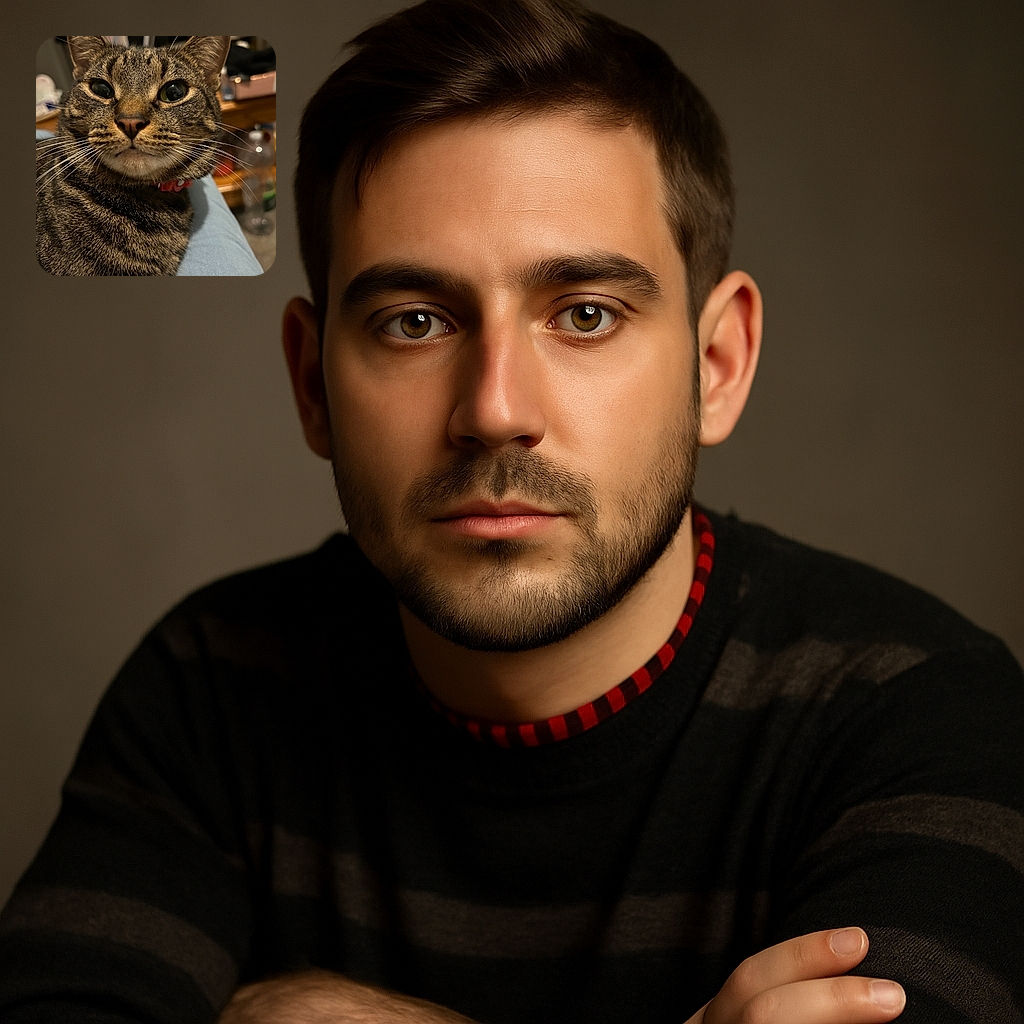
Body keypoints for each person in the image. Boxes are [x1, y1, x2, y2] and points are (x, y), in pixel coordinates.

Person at [2, 0, 1022, 1021]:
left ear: (716, 365)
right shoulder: (211, 689)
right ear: (312, 383)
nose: (494, 410)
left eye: (584, 314)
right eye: (414, 321)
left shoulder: (924, 708)